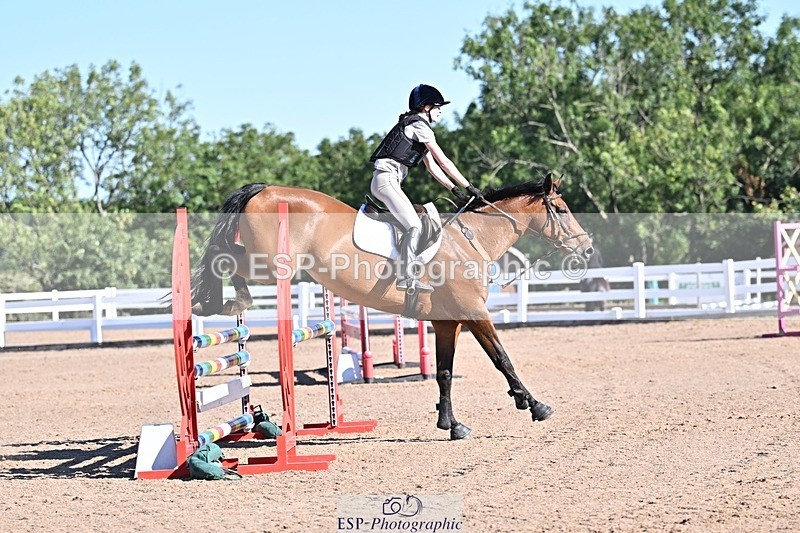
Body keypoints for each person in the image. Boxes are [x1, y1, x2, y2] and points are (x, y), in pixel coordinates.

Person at [369, 84, 484, 292]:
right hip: (387, 180)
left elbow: (432, 167)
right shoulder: (420, 126)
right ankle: (406, 278)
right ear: (426, 107)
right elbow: (444, 161)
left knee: (415, 222)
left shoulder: (413, 127)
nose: (440, 111)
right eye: (438, 107)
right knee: (415, 225)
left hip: (387, 181)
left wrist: (453, 189)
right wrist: (470, 186)